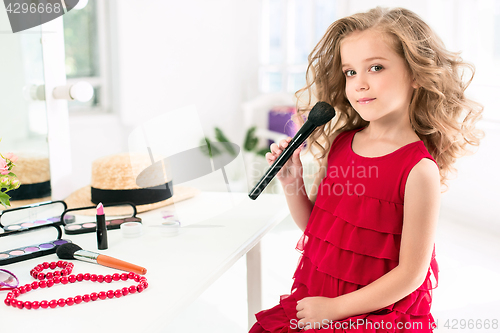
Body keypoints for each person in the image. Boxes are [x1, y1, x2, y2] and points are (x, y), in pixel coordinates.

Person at [250, 6, 483, 333]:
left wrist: (334, 309)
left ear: (416, 73)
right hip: (320, 296)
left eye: (375, 67)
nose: (359, 84)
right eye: (350, 72)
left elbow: (411, 275)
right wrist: (292, 180)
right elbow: (320, 232)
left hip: (376, 315)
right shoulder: (343, 145)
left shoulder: (418, 171)